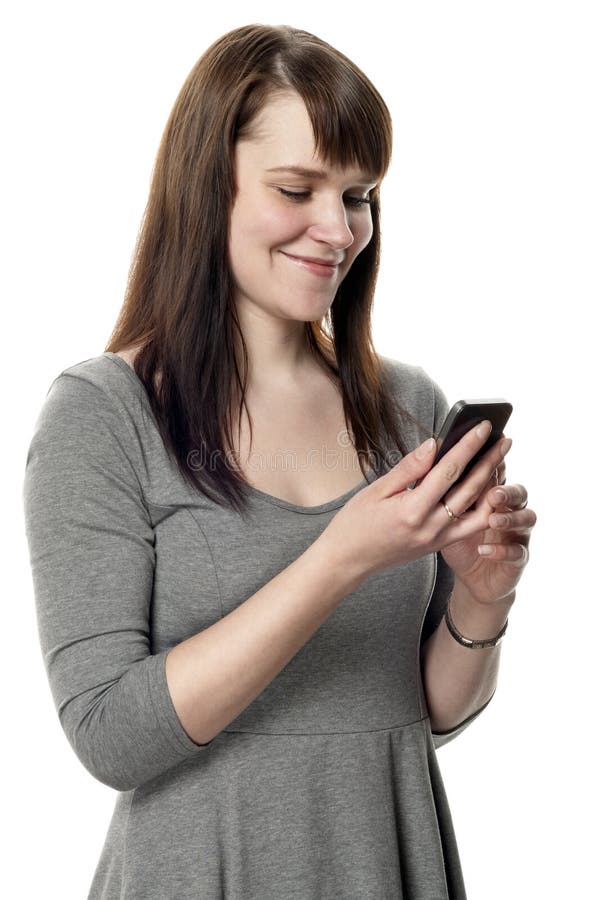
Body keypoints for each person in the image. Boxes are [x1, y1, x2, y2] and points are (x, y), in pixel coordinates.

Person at [22, 23, 536, 900]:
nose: (338, 230)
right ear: (206, 185)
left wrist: (485, 598)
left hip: (388, 861)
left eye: (360, 195)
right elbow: (108, 735)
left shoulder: (406, 407)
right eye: (297, 188)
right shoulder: (104, 415)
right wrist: (341, 555)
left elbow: (424, 714)